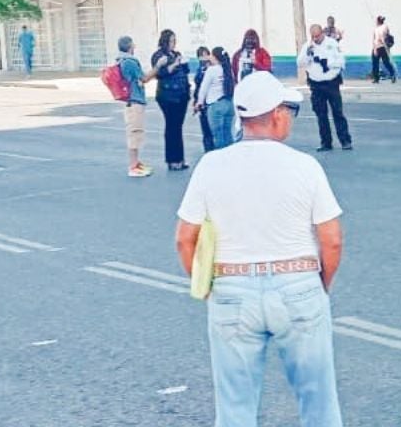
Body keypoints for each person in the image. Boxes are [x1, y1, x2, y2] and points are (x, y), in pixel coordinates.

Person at [175, 71, 345, 427]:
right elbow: (331, 239)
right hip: (298, 283)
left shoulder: (211, 166)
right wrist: (319, 284)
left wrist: (208, 288)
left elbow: (184, 238)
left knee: (235, 407)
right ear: (278, 115)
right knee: (319, 404)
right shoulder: (305, 167)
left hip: (232, 287)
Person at [117, 35, 165, 178]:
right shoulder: (130, 62)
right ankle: (133, 166)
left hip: (131, 100)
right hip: (134, 100)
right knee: (134, 132)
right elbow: (144, 78)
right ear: (130, 46)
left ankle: (136, 162)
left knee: (136, 132)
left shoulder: (120, 60)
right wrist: (158, 66)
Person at [299, 24, 351, 152]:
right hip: (316, 85)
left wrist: (328, 63)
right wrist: (307, 53)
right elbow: (300, 63)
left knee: (337, 113)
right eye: (313, 36)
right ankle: (326, 143)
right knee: (321, 115)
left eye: (317, 36)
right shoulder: (308, 46)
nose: (316, 39)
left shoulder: (332, 44)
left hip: (331, 83)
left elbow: (342, 62)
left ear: (322, 33)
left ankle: (345, 141)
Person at [152, 29, 192, 171]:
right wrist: (174, 64)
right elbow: (160, 73)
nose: (174, 43)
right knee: (171, 126)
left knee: (178, 127)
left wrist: (184, 63)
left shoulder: (176, 54)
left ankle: (180, 159)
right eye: (171, 41)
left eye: (175, 40)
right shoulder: (158, 56)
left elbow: (186, 71)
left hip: (181, 94)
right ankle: (172, 160)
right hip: (168, 96)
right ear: (165, 41)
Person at [197, 46, 236, 150]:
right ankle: (231, 157)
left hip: (215, 105)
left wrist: (199, 102)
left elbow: (204, 88)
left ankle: (221, 160)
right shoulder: (228, 69)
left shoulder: (212, 70)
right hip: (228, 103)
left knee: (218, 136)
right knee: (228, 134)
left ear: (215, 57)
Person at [192, 46, 216, 154]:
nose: (204, 58)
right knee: (205, 128)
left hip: (211, 101)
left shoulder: (213, 69)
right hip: (203, 103)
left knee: (213, 128)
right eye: (201, 56)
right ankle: (208, 150)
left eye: (206, 55)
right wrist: (196, 101)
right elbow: (197, 85)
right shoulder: (199, 70)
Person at [371, 16, 396, 84]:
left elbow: (377, 39)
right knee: (385, 62)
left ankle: (377, 78)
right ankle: (392, 74)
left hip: (380, 47)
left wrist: (375, 48)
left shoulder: (379, 28)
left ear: (378, 21)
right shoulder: (383, 27)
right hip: (381, 47)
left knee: (376, 63)